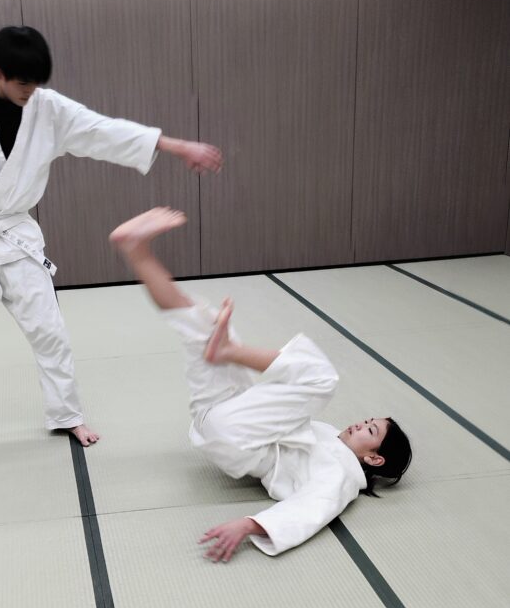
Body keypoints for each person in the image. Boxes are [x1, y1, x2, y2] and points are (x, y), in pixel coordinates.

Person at [0, 27, 222, 460]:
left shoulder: (50, 110)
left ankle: (66, 413)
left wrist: (177, 147)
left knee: (50, 331)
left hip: (17, 236)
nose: (30, 92)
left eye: (36, 84)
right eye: (22, 83)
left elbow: (104, 131)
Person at [109, 207, 412, 559]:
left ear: (374, 459)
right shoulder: (330, 436)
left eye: (370, 430)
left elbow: (312, 510)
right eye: (368, 420)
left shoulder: (341, 475)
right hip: (223, 420)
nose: (361, 423)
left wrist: (249, 524)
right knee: (202, 324)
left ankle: (229, 350)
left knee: (323, 379)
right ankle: (136, 250)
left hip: (240, 440)